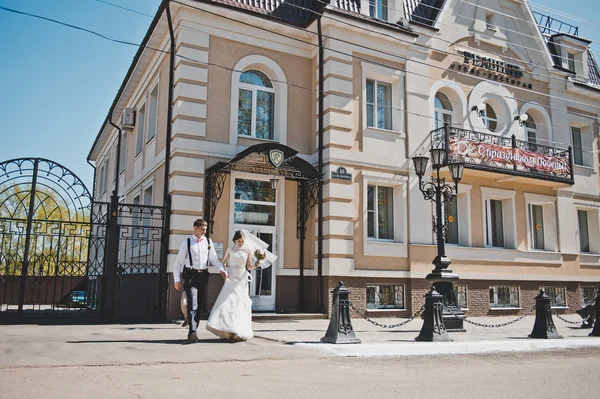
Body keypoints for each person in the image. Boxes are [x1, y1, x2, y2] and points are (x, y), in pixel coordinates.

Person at [172, 218, 227, 342]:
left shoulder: (208, 241)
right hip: (190, 275)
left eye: (205, 230)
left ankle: (194, 328)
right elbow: (178, 263)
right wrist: (176, 280)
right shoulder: (186, 243)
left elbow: (213, 258)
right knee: (193, 303)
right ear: (195, 228)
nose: (204, 232)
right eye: (202, 229)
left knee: (199, 305)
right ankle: (192, 332)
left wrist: (221, 269)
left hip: (204, 275)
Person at [206, 230, 261, 342]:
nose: (241, 243)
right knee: (228, 302)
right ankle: (228, 330)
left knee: (240, 304)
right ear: (234, 240)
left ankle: (238, 330)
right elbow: (224, 262)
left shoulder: (247, 250)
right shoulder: (231, 249)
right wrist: (224, 271)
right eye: (239, 241)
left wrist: (256, 265)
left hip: (242, 279)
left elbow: (249, 266)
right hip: (231, 278)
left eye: (242, 241)